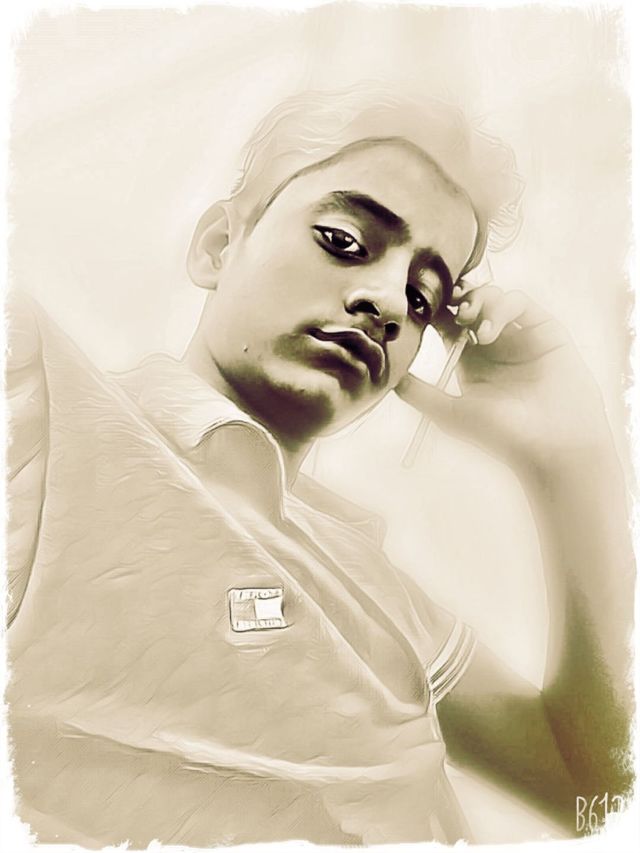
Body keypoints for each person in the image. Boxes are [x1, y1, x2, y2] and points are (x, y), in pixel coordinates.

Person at [5, 87, 634, 847]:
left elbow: (595, 792)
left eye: (422, 298)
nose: (388, 303)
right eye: (343, 240)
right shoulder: (45, 402)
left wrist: (574, 465)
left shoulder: (372, 582)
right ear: (218, 245)